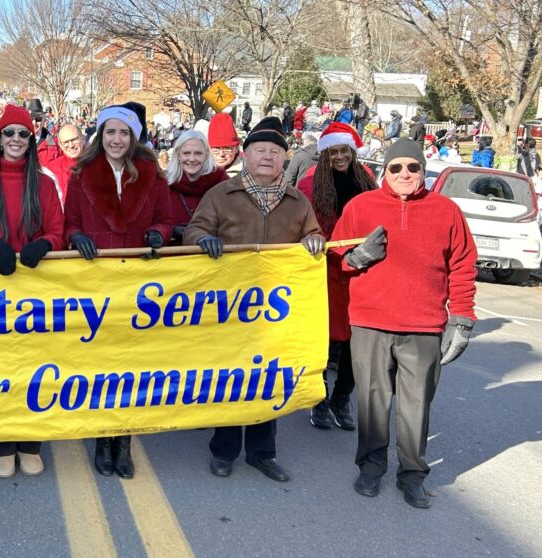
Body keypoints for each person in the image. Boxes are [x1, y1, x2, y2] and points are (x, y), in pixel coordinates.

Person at [331, 139, 477, 508]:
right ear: (385, 170)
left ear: (422, 169)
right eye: (396, 168)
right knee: (372, 401)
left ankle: (412, 473)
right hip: (370, 322)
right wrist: (357, 257)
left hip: (424, 325)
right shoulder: (360, 206)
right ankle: (372, 465)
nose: (404, 174)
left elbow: (462, 264)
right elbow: (335, 256)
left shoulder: (446, 210)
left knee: (416, 405)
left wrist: (461, 318)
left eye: (412, 167)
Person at [183, 116, 324, 484]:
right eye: (260, 150)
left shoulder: (297, 202)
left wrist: (313, 240)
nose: (267, 157)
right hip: (229, 307)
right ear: (245, 156)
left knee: (267, 381)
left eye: (274, 152)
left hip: (275, 312)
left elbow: (313, 233)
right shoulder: (221, 194)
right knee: (229, 381)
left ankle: (262, 453)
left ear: (284, 158)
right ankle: (224, 451)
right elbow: (194, 230)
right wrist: (202, 240)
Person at [64, 105, 172, 479]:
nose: (116, 140)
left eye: (124, 133)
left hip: (138, 281)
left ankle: (123, 440)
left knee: (130, 365)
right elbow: (69, 222)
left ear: (134, 137)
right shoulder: (80, 175)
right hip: (96, 279)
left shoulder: (152, 176)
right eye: (110, 132)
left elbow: (165, 217)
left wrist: (159, 233)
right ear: (100, 136)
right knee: (99, 364)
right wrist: (75, 237)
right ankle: (101, 436)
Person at [0, 104, 64, 478]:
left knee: (34, 367)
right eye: (9, 133)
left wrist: (45, 244)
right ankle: (3, 442)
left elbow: (56, 227)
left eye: (23, 134)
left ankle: (31, 441)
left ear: (32, 139)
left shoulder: (43, 183)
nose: (16, 140)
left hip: (35, 286)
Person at [296, 123, 377, 432]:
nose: (340, 157)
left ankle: (342, 399)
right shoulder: (309, 184)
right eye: (334, 152)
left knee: (357, 343)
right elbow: (304, 226)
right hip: (326, 272)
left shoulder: (366, 179)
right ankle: (320, 400)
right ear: (325, 154)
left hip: (362, 272)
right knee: (325, 342)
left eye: (345, 151)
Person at [163, 130, 228, 245]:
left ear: (206, 155)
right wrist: (170, 230)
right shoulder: (163, 184)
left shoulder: (222, 183)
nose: (192, 159)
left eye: (198, 153)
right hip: (171, 256)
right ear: (178, 155)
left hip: (212, 255)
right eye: (186, 153)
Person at [42, 123, 85, 206]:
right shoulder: (51, 170)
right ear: (60, 145)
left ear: (83, 139)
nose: (71, 145)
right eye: (66, 142)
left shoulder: (97, 164)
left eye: (74, 139)